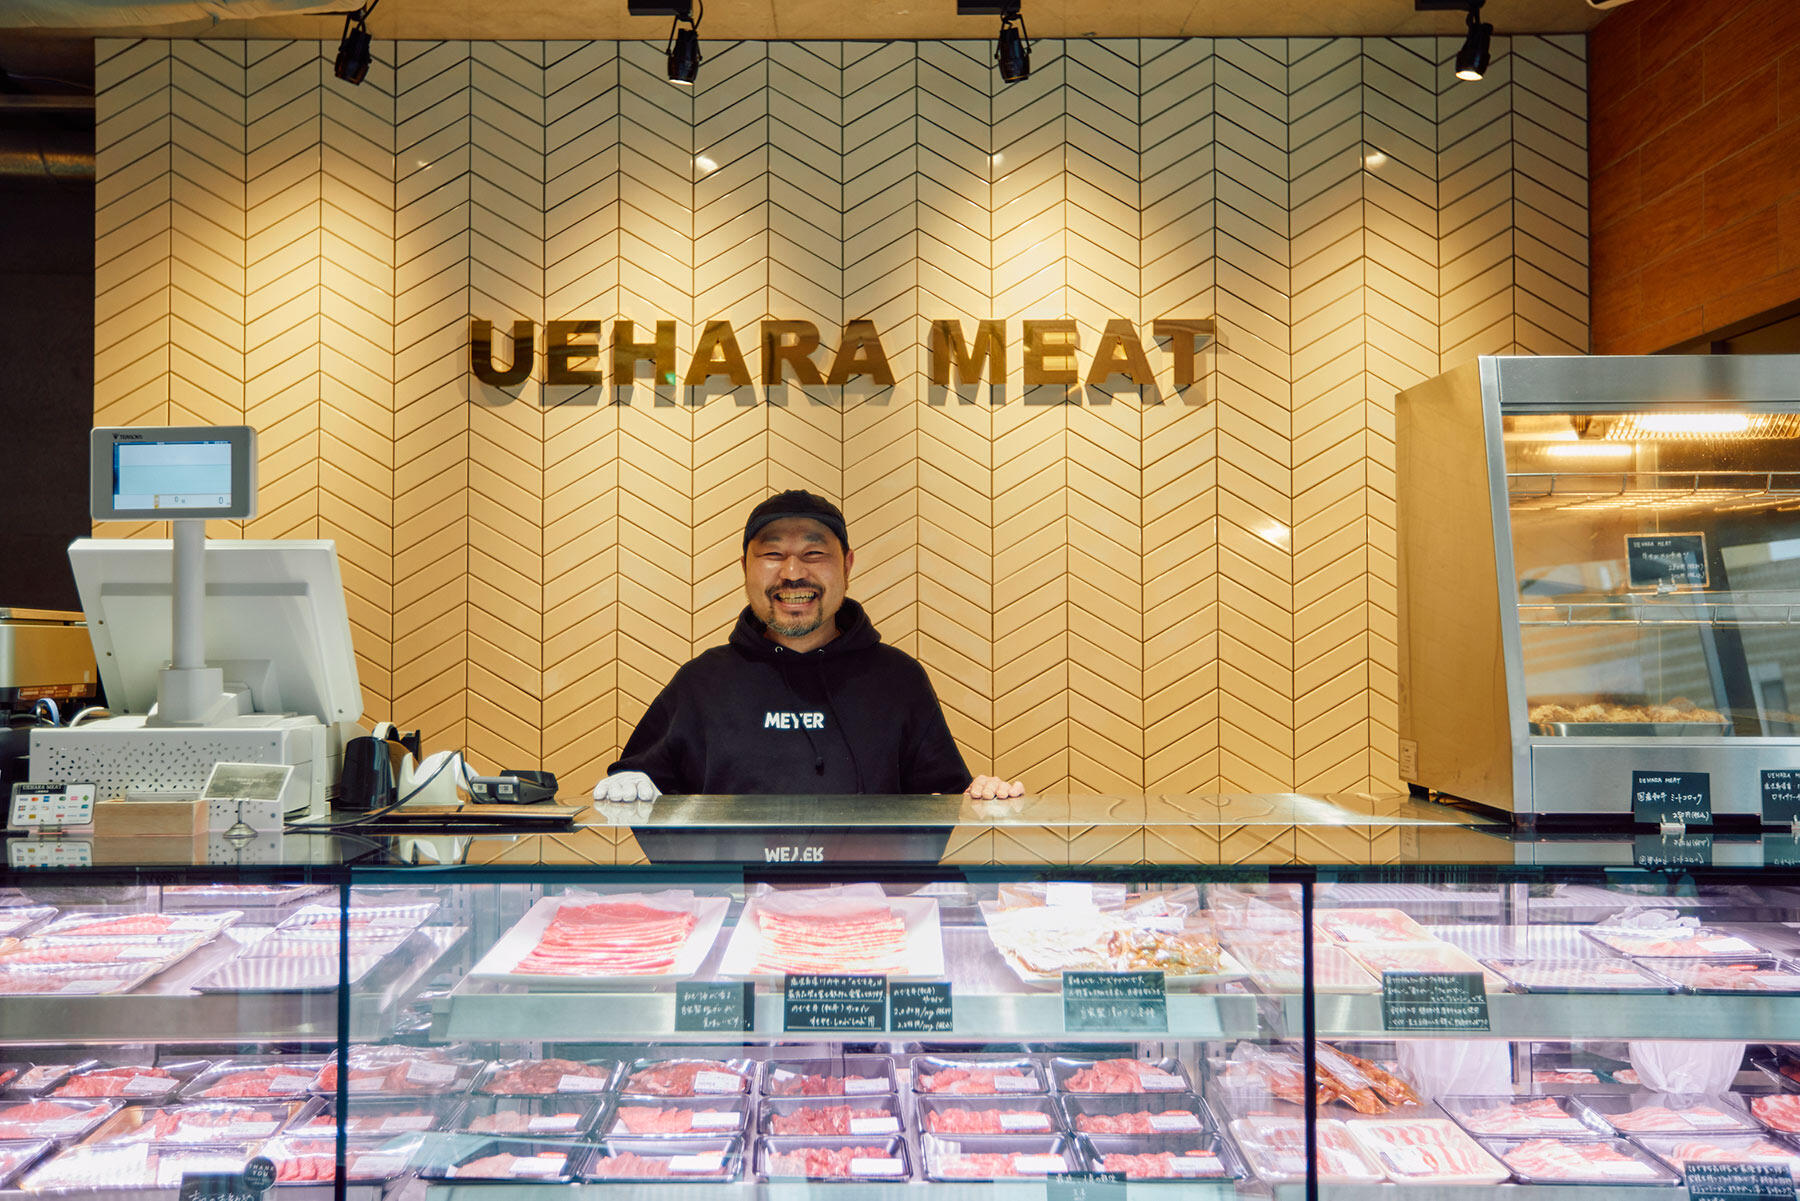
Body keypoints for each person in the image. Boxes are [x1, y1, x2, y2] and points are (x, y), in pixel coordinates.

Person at [593, 490, 1025, 802]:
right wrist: (629, 783)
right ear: (745, 568)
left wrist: (985, 794)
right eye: (773, 554)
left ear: (847, 565)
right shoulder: (702, 681)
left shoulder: (897, 678)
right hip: (734, 912)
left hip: (865, 910)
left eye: (815, 553)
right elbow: (641, 785)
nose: (793, 573)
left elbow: (944, 800)